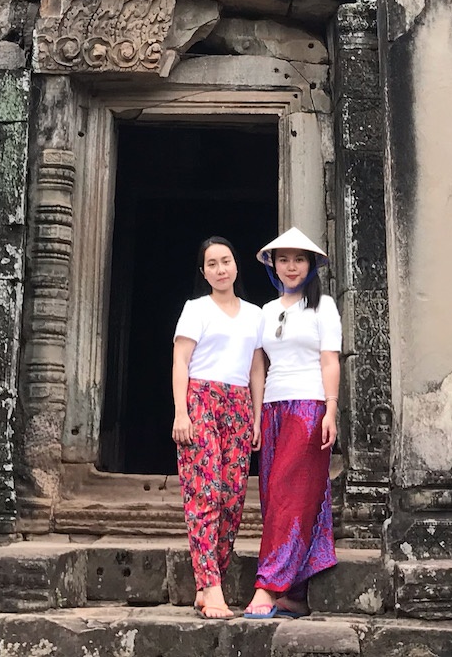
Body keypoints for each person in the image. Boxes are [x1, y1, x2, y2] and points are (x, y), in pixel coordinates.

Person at [245, 227, 342, 619]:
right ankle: (295, 594)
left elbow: (330, 360)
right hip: (272, 407)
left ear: (311, 265)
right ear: (273, 265)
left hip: (309, 406)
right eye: (283, 259)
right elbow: (257, 367)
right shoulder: (266, 311)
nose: (291, 266)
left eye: (298, 259)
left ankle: (267, 586)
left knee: (288, 492)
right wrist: (255, 416)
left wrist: (331, 411)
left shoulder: (324, 306)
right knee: (276, 497)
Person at [172, 236, 264, 619]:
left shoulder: (255, 314)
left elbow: (257, 367)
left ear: (236, 266)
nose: (221, 269)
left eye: (226, 261)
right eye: (212, 264)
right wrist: (181, 412)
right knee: (204, 492)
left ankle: (209, 582)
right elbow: (181, 361)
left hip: (240, 405)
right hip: (201, 400)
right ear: (203, 272)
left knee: (232, 499)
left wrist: (257, 417)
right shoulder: (196, 309)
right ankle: (211, 587)